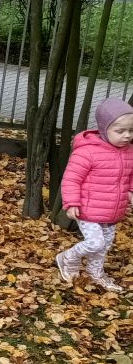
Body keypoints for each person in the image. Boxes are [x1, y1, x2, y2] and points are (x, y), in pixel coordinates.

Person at [56, 98, 133, 292]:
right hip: (88, 209)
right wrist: (71, 202)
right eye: (120, 131)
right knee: (95, 243)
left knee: (104, 245)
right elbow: (71, 179)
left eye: (131, 131)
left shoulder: (129, 152)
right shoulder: (87, 152)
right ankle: (67, 257)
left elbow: (130, 175)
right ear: (104, 129)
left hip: (112, 211)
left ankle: (95, 272)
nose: (127, 135)